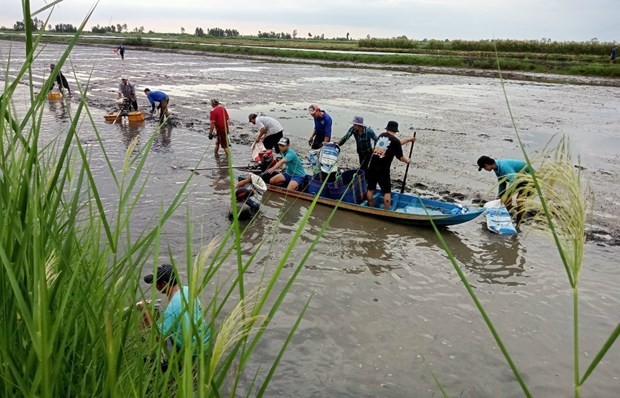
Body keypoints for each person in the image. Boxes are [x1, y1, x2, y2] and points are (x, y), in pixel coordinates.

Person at [140, 264, 210, 354]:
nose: (155, 286)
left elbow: (158, 334)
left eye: (156, 283)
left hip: (193, 351)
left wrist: (145, 311)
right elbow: (199, 308)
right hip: (206, 340)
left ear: (164, 284)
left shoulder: (171, 309)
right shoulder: (187, 290)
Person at [366, 121, 415, 210]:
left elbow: (396, 144)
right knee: (387, 191)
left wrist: (409, 139)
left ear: (387, 128)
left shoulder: (381, 136)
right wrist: (408, 160)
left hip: (372, 166)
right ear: (396, 130)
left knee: (370, 189)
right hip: (383, 169)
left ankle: (370, 207)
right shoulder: (395, 141)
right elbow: (400, 157)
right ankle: (387, 211)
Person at [477, 155, 534, 226]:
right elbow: (502, 183)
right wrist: (499, 195)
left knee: (519, 201)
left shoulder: (503, 166)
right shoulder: (496, 168)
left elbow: (513, 181)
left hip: (530, 179)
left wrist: (506, 195)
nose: (484, 169)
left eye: (483, 168)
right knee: (504, 200)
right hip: (519, 179)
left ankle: (518, 224)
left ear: (486, 165)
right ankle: (506, 218)